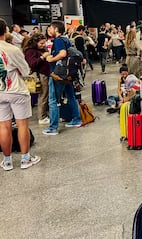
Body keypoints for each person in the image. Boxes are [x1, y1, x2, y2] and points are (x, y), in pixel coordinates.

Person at [0, 18, 41, 170]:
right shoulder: (12, 49)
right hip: (16, 90)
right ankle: (25, 159)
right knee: (22, 124)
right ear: (5, 31)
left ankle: (7, 161)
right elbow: (25, 71)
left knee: (4, 126)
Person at [42, 20, 82, 135]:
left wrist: (50, 58)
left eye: (50, 28)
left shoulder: (58, 40)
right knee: (71, 96)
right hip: (68, 74)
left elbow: (63, 54)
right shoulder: (67, 39)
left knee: (53, 100)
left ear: (56, 29)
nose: (49, 31)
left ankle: (53, 128)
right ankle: (76, 119)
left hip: (58, 74)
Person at [23, 32, 51, 124]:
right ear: (35, 42)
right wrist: (43, 57)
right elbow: (32, 63)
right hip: (40, 76)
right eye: (41, 43)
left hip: (45, 74)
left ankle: (44, 114)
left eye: (44, 43)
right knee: (43, 96)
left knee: (45, 96)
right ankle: (41, 117)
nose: (43, 45)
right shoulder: (30, 51)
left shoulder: (40, 49)